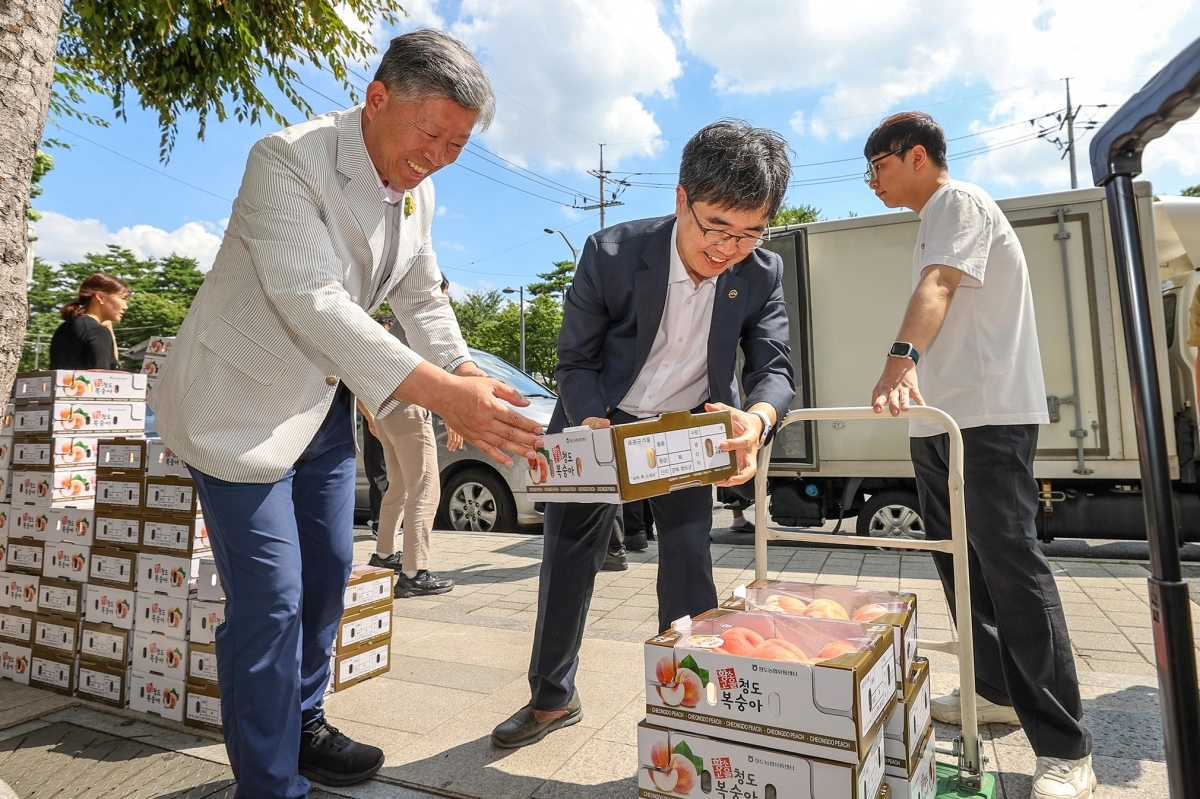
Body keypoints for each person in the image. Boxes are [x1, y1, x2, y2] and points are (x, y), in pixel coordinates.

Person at [148, 30, 542, 799]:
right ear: (377, 97)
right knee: (272, 598)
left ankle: (303, 720)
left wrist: (462, 366)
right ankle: (267, 783)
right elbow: (313, 300)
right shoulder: (286, 158)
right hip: (237, 406)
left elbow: (421, 293)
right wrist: (440, 391)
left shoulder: (417, 187)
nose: (439, 155)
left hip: (320, 403)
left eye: (457, 144)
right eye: (431, 133)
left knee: (329, 572)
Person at [491, 120, 796, 749]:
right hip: (599, 419)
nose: (728, 248)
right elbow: (572, 361)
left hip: (685, 429)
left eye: (749, 232)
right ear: (681, 197)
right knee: (568, 558)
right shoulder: (611, 254)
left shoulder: (762, 272)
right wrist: (590, 418)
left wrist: (757, 421)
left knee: (689, 562)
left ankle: (689, 706)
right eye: (716, 227)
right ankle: (551, 698)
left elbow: (775, 369)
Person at [865, 111, 1094, 799]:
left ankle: (1065, 745)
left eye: (876, 165)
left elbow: (938, 286)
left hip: (988, 417)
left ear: (915, 155)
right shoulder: (932, 216)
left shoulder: (959, 201)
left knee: (1012, 568)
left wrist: (900, 358)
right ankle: (994, 690)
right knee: (962, 567)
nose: (871, 180)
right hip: (942, 421)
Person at [360, 275, 463, 597]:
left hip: (387, 408)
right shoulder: (425, 321)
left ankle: (385, 553)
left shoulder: (393, 323)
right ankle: (414, 572)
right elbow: (440, 373)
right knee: (425, 491)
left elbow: (360, 369)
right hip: (411, 411)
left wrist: (370, 413)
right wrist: (453, 416)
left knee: (399, 487)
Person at [49, 272, 130, 370]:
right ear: (100, 297)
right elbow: (103, 375)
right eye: (122, 298)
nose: (125, 306)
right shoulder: (97, 332)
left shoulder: (65, 327)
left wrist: (109, 328)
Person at [360, 313, 396, 538]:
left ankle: (391, 521)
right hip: (375, 418)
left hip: (395, 418)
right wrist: (371, 418)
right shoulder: (367, 357)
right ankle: (379, 523)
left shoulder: (396, 357)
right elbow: (359, 389)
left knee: (395, 472)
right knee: (379, 472)